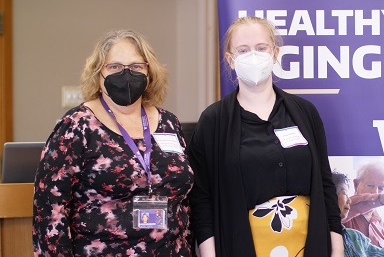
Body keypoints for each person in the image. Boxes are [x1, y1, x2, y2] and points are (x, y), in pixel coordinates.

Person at [186, 16, 344, 257]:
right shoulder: (213, 121)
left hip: (309, 244)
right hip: (243, 245)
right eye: (243, 50)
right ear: (230, 59)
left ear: (275, 53)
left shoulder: (305, 112)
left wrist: (337, 247)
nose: (254, 55)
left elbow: (325, 183)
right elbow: (202, 199)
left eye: (261, 48)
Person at [32, 29, 194, 256]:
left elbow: (184, 200)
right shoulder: (77, 126)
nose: (126, 74)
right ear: (98, 75)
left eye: (136, 66)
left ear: (150, 73)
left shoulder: (169, 122)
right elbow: (49, 210)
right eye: (115, 67)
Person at [332, 171, 384, 257]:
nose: (376, 191)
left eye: (381, 188)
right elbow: (357, 204)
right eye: (370, 185)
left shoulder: (357, 236)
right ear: (356, 184)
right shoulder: (348, 209)